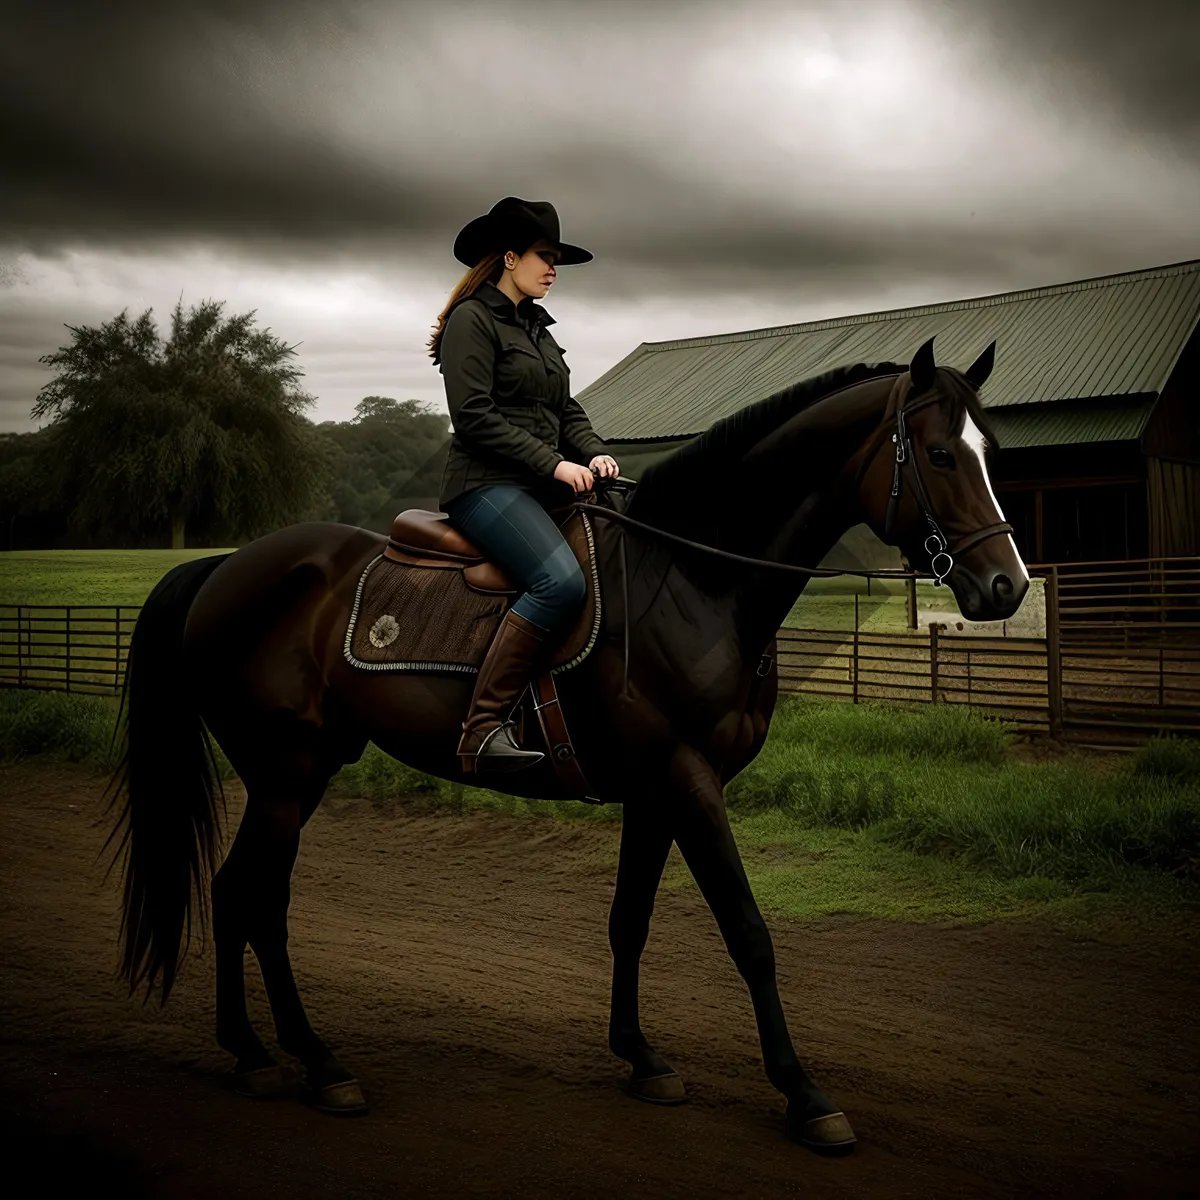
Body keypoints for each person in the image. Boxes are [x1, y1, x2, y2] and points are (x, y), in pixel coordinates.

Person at [428, 197, 620, 775]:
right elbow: (475, 417)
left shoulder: (539, 329)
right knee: (559, 582)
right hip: (485, 485)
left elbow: (567, 411)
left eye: (557, 258)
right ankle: (483, 726)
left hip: (537, 485)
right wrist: (555, 465)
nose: (554, 268)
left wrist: (593, 452)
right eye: (545, 256)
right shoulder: (473, 320)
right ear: (509, 258)